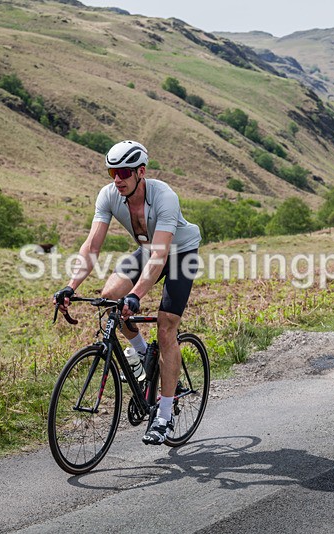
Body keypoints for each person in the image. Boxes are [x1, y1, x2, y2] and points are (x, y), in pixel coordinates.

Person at [53, 140, 201, 445]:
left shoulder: (164, 197)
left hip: (180, 254)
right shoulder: (109, 196)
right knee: (110, 301)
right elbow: (92, 246)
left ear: (140, 171)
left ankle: (164, 414)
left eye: (123, 172)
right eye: (112, 172)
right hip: (148, 251)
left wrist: (135, 295)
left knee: (166, 327)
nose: (117, 179)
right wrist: (71, 285)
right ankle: (143, 356)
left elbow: (161, 258)